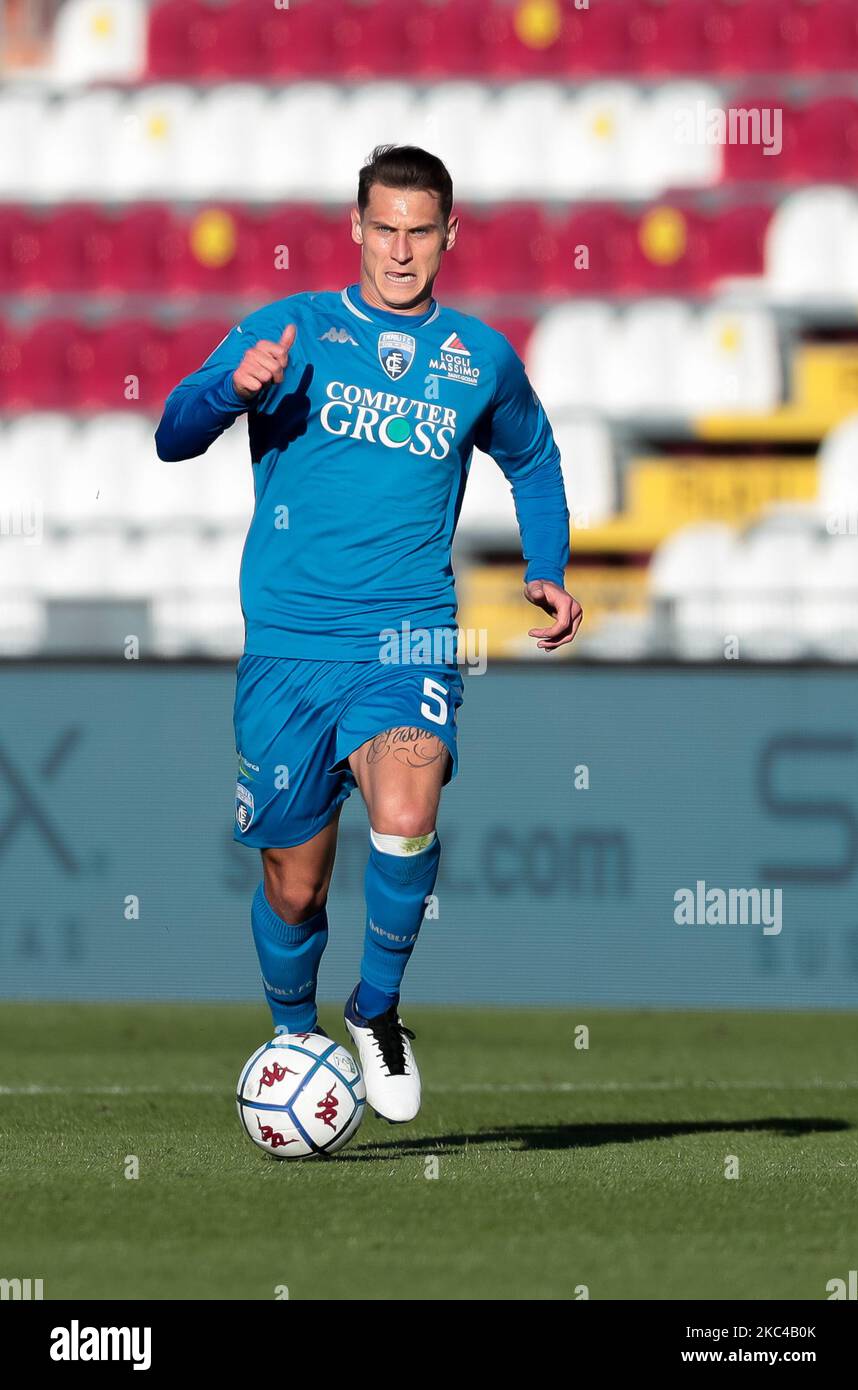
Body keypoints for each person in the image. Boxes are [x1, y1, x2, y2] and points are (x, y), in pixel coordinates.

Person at [155, 144, 581, 1124]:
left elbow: (535, 458)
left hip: (406, 635)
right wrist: (232, 390)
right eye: (383, 229)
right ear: (354, 228)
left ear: (448, 234)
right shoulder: (287, 329)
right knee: (294, 888)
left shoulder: (478, 357)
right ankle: (291, 1030)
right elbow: (171, 431)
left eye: (418, 231)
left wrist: (546, 565)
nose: (399, 250)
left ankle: (377, 1007)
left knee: (405, 801)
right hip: (288, 648)